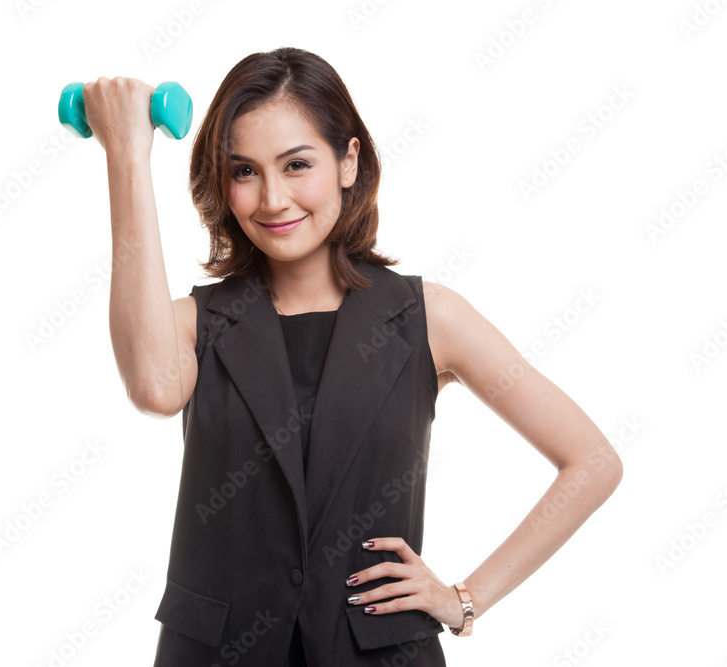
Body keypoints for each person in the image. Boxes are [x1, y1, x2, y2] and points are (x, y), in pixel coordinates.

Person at [80, 46, 623, 667]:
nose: (273, 199)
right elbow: (154, 389)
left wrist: (464, 601)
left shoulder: (429, 317)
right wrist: (127, 155)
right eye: (244, 171)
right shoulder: (192, 323)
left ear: (348, 161)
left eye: (297, 164)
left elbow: (592, 462)